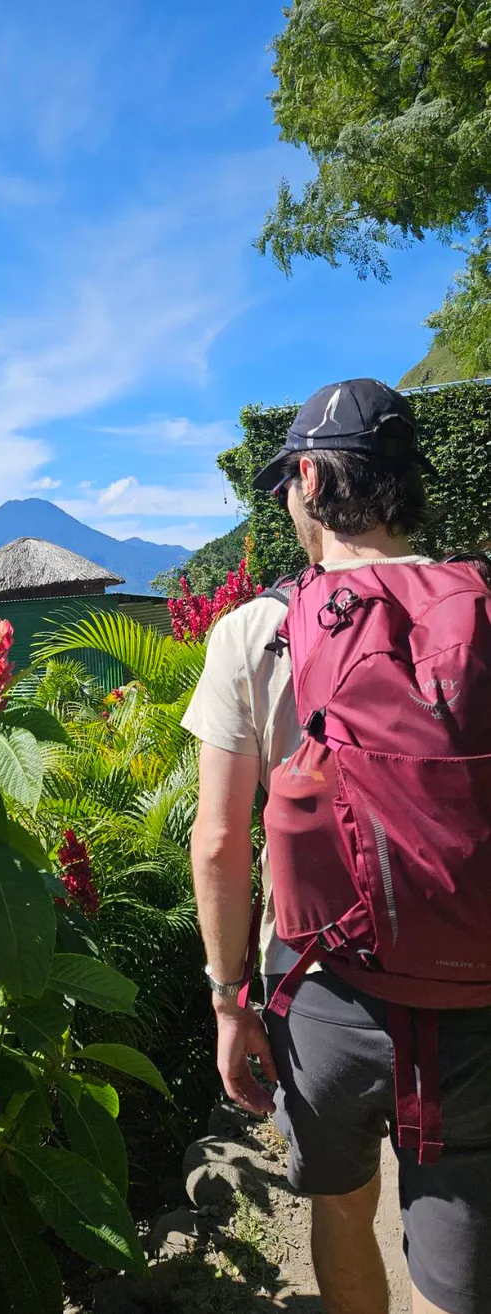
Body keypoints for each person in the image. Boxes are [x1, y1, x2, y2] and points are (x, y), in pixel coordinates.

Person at [183, 378, 491, 1314]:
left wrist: (230, 1000)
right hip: (476, 995)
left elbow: (218, 842)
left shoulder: (257, 631)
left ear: (310, 479)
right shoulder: (485, 607)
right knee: (461, 1241)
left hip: (321, 987)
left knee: (343, 1210)